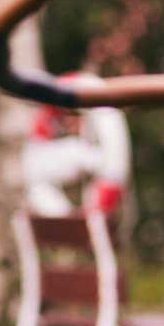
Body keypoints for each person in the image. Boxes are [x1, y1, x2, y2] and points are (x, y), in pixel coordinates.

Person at [23, 75, 133, 218]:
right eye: (64, 119)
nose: (68, 123)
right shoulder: (69, 151)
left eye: (73, 116)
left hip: (83, 204)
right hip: (73, 207)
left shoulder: (81, 149)